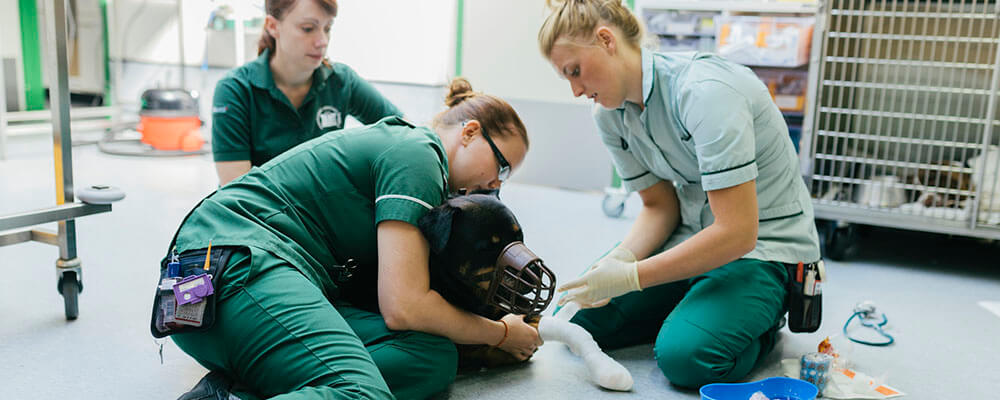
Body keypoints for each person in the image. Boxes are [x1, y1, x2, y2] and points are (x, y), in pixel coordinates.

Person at [167, 78, 541, 400]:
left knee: (431, 357)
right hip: (229, 269)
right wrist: (501, 332)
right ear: (470, 132)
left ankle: (232, 391)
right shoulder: (419, 155)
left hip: (224, 302)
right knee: (361, 392)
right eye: (501, 167)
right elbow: (403, 306)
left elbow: (405, 319)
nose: (495, 185)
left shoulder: (413, 157)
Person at [537, 0, 822, 388]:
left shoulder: (704, 92)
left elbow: (737, 233)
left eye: (576, 71)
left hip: (761, 250)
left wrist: (633, 277)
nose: (575, 90)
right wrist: (620, 261)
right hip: (692, 236)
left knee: (688, 359)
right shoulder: (610, 113)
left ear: (606, 40)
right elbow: (658, 207)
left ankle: (762, 319)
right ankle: (699, 307)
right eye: (565, 79)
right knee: (579, 319)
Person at [211, 0, 403, 185]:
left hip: (319, 210)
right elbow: (236, 192)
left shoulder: (341, 80)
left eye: (327, 28)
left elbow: (404, 133)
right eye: (308, 29)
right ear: (272, 26)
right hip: (259, 215)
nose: (322, 41)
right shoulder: (235, 89)